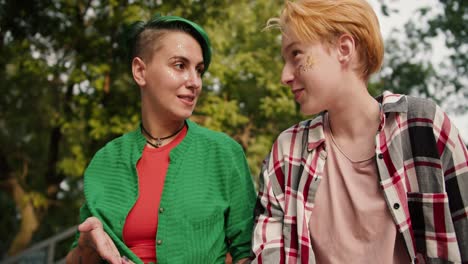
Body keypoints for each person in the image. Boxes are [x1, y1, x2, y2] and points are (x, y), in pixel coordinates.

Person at [251, 0, 468, 263]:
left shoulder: (423, 128)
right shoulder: (287, 151)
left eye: (296, 54)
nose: (284, 75)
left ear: (344, 48)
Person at [65, 15, 256, 264]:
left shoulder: (223, 153)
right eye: (180, 65)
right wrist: (88, 243)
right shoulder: (106, 161)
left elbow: (248, 253)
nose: (194, 82)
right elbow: (75, 258)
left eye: (199, 70)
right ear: (140, 71)